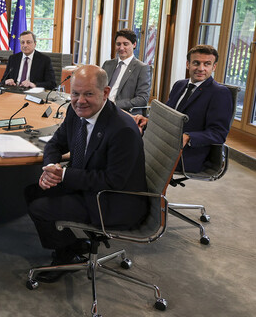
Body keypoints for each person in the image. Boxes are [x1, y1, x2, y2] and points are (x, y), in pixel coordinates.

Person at [24, 64, 148, 283]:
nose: (80, 101)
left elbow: (113, 180)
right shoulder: (75, 111)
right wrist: (51, 168)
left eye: (88, 94)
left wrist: (63, 175)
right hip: (87, 185)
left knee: (40, 208)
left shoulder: (123, 130)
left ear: (105, 92)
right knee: (32, 192)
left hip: (113, 200)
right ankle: (72, 245)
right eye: (75, 93)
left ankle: (66, 257)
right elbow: (55, 143)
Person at [134, 45, 233, 173]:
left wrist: (188, 137)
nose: (201, 68)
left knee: (129, 157)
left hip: (187, 154)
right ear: (188, 64)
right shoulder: (179, 85)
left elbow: (218, 133)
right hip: (163, 143)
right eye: (196, 63)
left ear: (214, 67)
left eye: (207, 64)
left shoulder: (219, 93)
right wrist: (148, 120)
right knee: (121, 146)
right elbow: (167, 115)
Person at [101, 29, 151, 114]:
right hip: (101, 108)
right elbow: (98, 87)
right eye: (118, 44)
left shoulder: (142, 68)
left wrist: (114, 104)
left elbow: (142, 99)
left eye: (125, 44)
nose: (121, 48)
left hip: (122, 112)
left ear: (134, 44)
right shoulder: (107, 64)